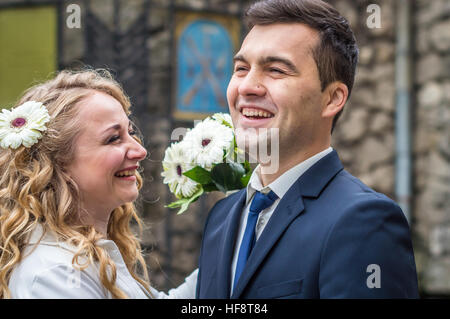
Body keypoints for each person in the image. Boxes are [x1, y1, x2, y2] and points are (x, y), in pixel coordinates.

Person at [196, 0, 419, 298]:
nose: (247, 86)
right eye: (241, 68)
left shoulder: (365, 223)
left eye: (275, 70)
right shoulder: (221, 218)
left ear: (332, 99)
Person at [0, 69, 197, 299]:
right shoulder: (56, 274)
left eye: (131, 133)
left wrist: (238, 235)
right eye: (113, 138)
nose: (140, 151)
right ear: (58, 163)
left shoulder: (82, 253)